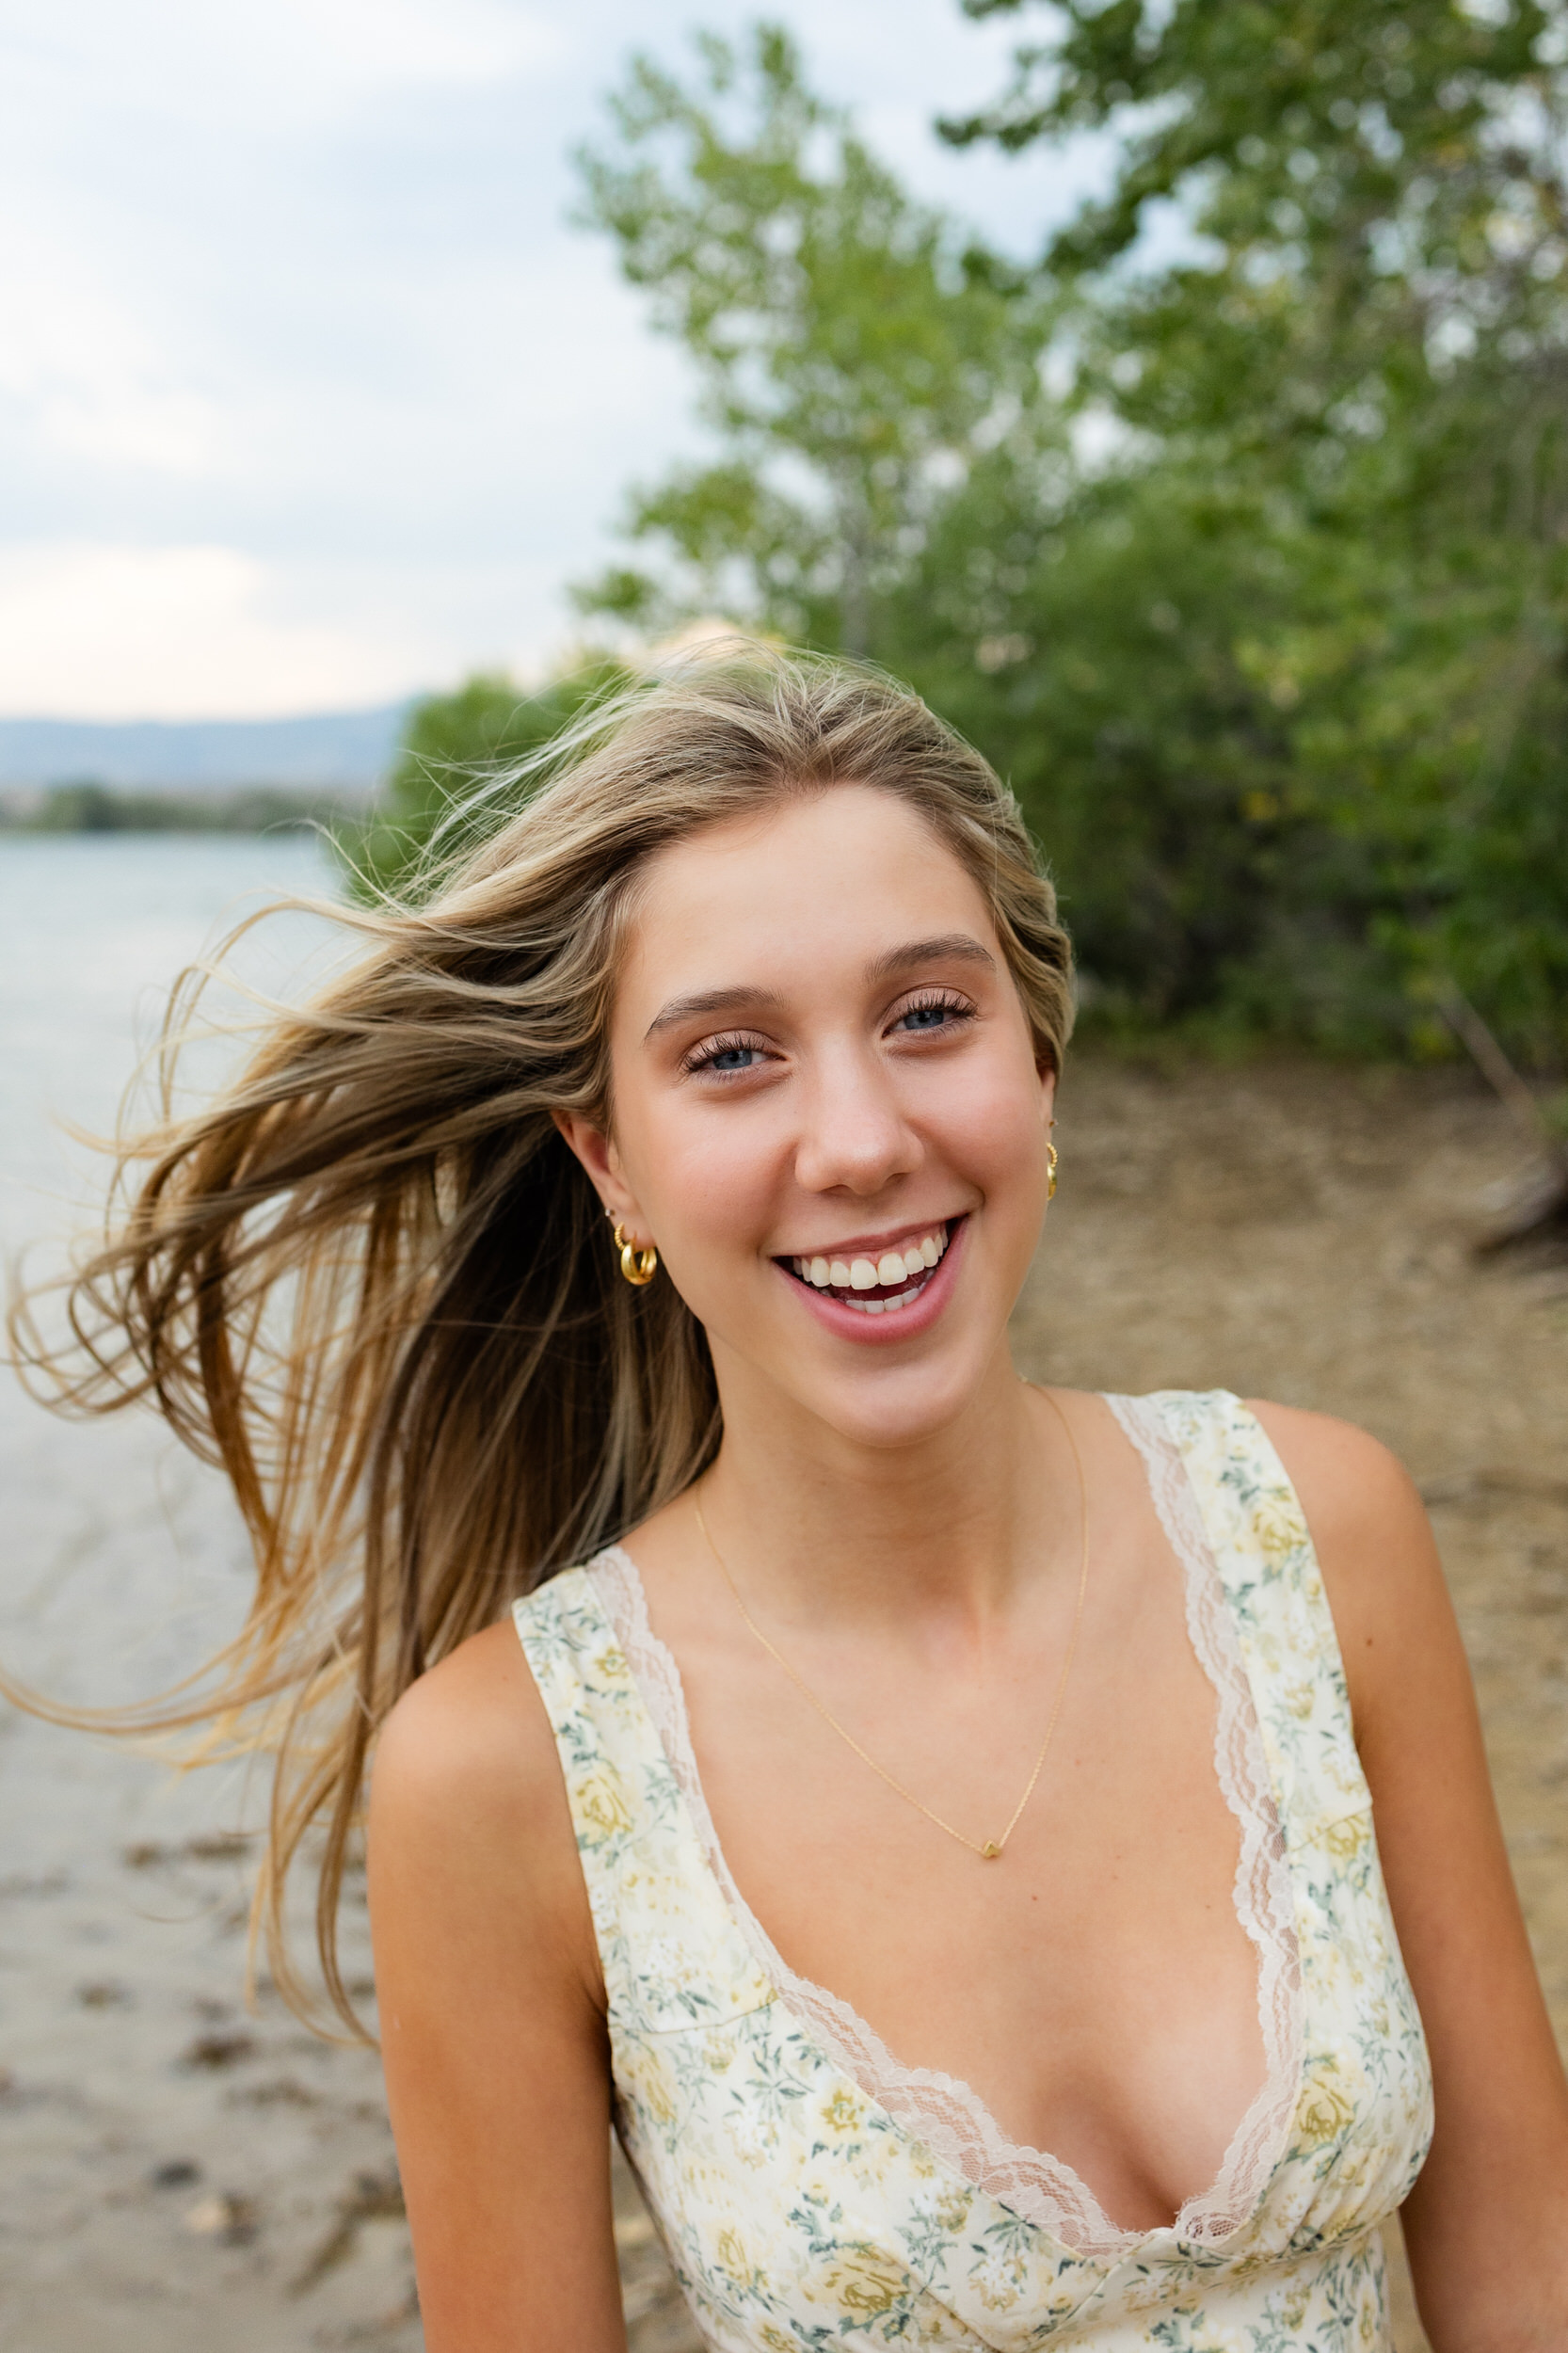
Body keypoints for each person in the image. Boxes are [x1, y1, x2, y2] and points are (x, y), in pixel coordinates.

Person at [19, 652, 1568, 2349]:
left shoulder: (1312, 1533)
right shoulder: (509, 1774)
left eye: (925, 1015)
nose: (855, 1141)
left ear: (1038, 1064)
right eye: (734, 1055)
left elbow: (1527, 2264)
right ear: (609, 1159)